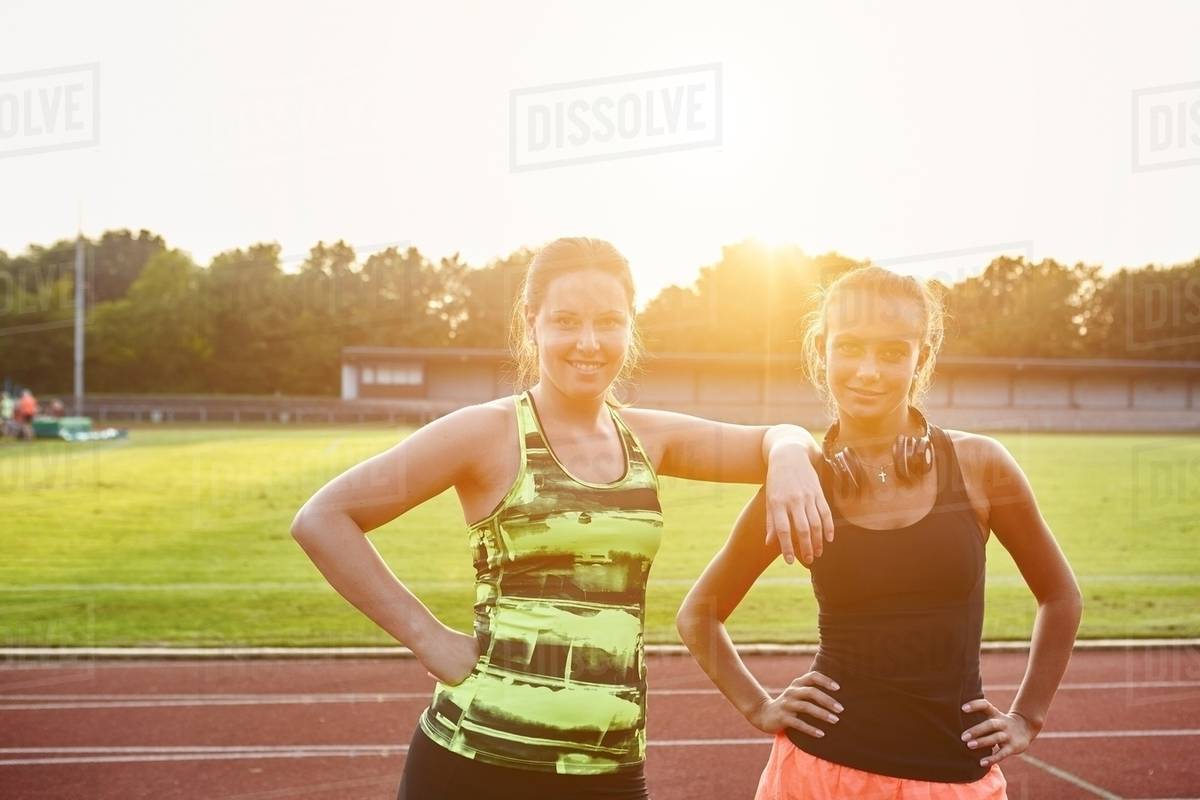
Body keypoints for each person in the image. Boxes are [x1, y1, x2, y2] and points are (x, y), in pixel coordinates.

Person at [290, 237, 834, 800]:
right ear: (532, 323)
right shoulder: (484, 432)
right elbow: (324, 517)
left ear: (631, 325)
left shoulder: (650, 438)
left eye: (609, 321)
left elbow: (780, 437)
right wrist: (430, 640)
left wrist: (788, 453)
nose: (589, 343)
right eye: (566, 321)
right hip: (474, 761)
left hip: (610, 769)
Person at [676, 266, 1083, 799]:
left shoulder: (981, 465)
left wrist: (1028, 716)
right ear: (821, 350)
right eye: (849, 347)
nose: (868, 371)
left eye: (892, 352)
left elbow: (1060, 595)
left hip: (952, 776)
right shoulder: (801, 482)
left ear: (922, 357)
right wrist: (759, 705)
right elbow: (699, 613)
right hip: (818, 774)